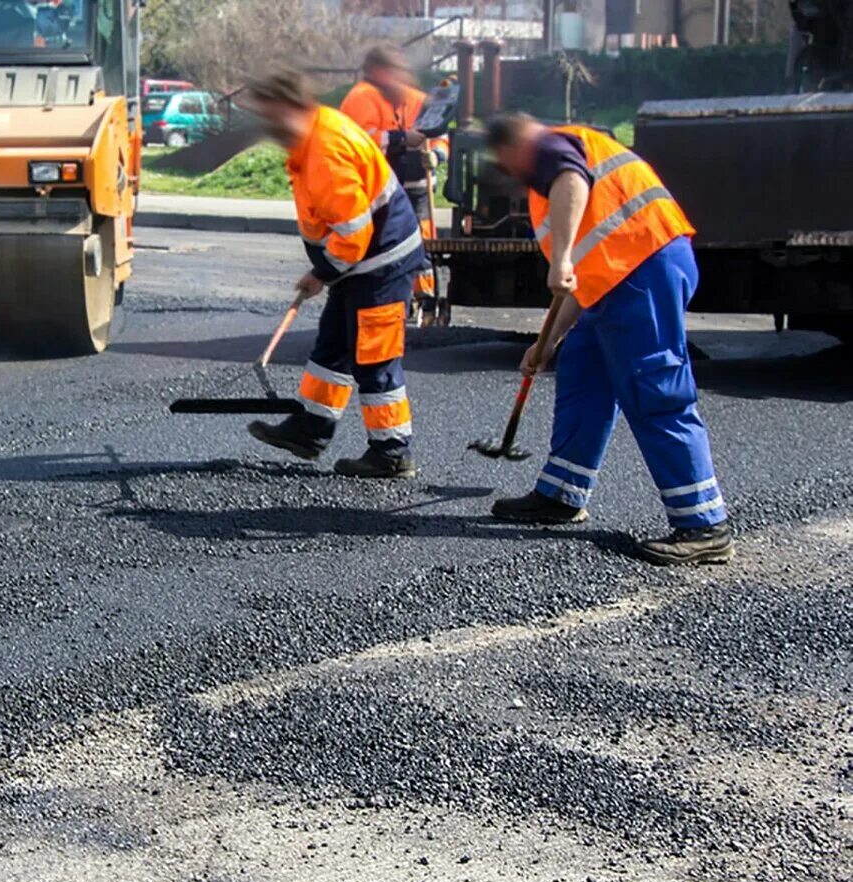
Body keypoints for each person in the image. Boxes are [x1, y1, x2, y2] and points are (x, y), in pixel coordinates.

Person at [485, 111, 733, 566]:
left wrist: (557, 260)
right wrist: (550, 339)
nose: (512, 172)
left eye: (506, 160)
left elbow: (570, 183)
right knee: (583, 371)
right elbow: (583, 270)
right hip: (615, 278)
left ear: (513, 147)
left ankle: (703, 524)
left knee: (654, 386)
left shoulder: (550, 151)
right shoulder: (553, 169)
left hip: (644, 265)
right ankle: (562, 492)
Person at [243, 69, 427, 479]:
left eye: (272, 118)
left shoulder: (325, 149)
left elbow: (354, 232)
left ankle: (392, 452)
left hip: (380, 263)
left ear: (293, 107)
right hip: (360, 265)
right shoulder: (314, 131)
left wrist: (322, 272)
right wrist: (328, 270)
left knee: (374, 358)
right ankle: (310, 429)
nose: (269, 129)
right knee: (333, 345)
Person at [340, 44, 442, 315]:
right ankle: (398, 300)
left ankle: (426, 298)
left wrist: (439, 154)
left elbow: (438, 128)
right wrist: (400, 139)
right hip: (381, 188)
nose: (400, 77)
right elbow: (360, 141)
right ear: (376, 71)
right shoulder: (361, 97)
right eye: (393, 71)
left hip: (417, 184)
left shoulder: (414, 98)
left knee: (421, 240)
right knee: (389, 244)